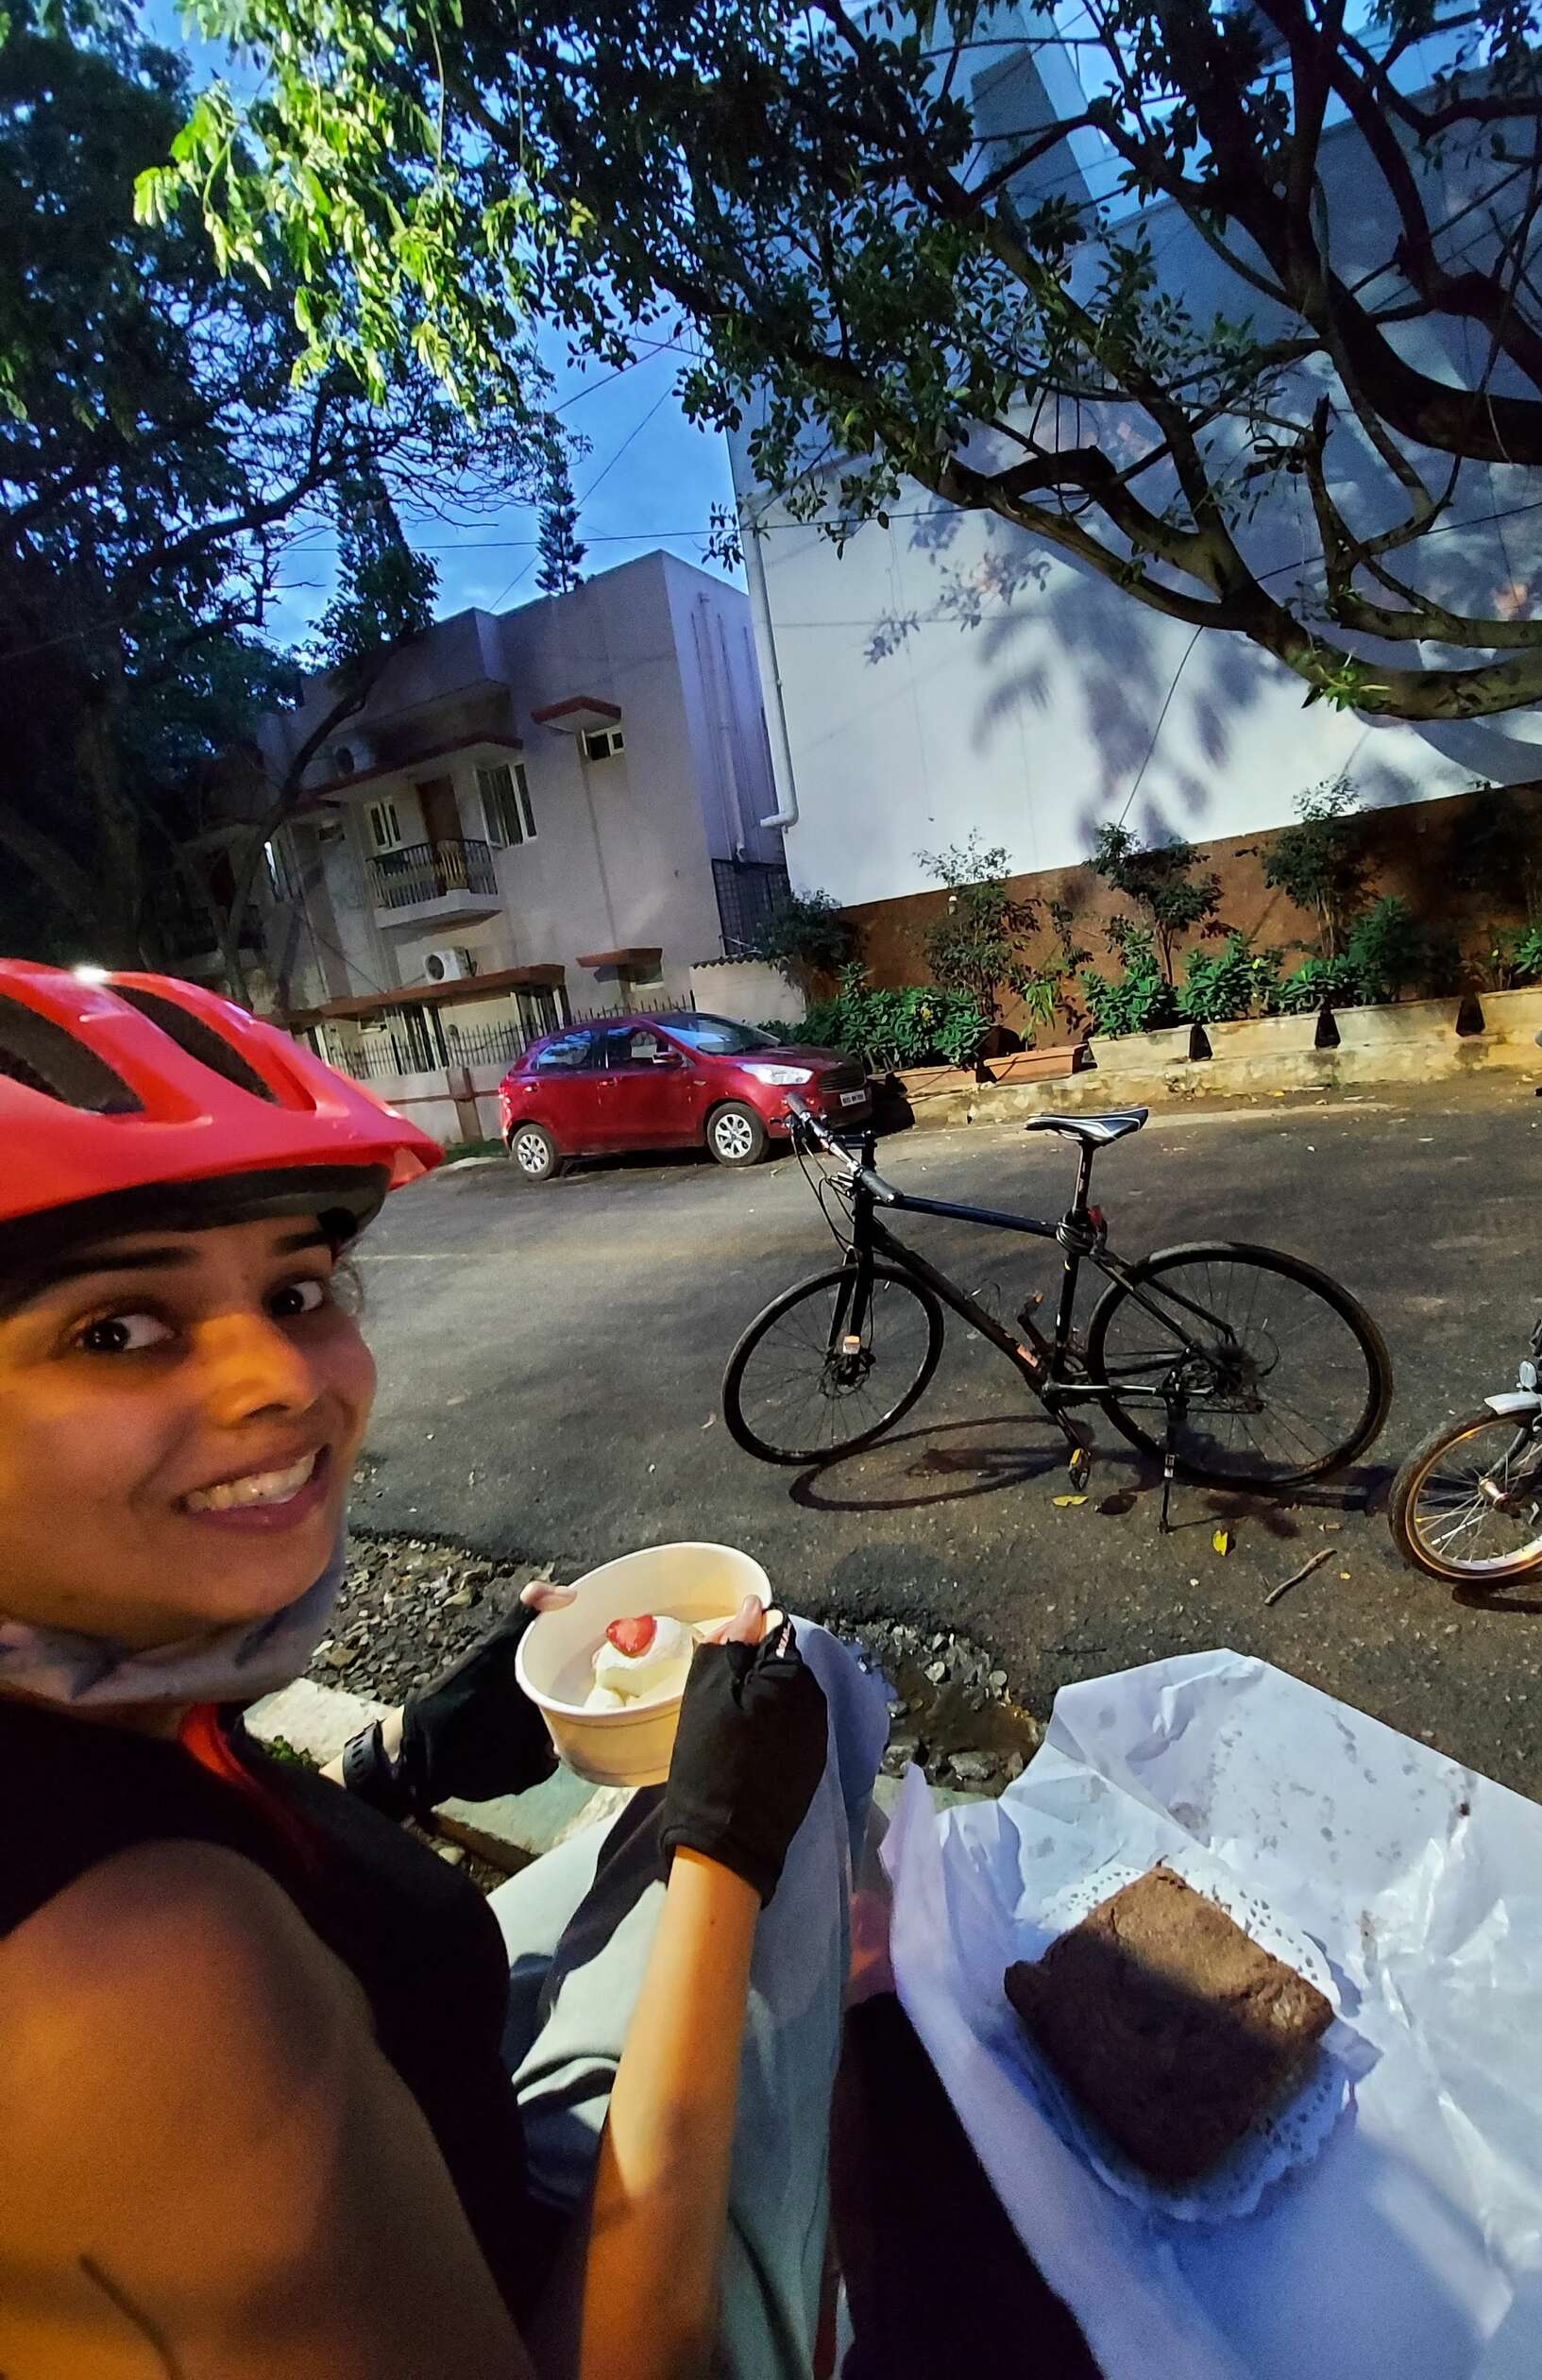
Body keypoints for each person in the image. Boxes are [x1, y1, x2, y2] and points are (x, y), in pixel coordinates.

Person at [0, 960, 887, 2380]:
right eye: (118, 1329)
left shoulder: (111, 1720)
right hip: (576, 2280)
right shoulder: (135, 1981)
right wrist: (725, 1860)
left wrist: (403, 1761)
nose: (284, 1381)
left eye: (296, 1289)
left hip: (443, 2090)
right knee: (814, 1684)